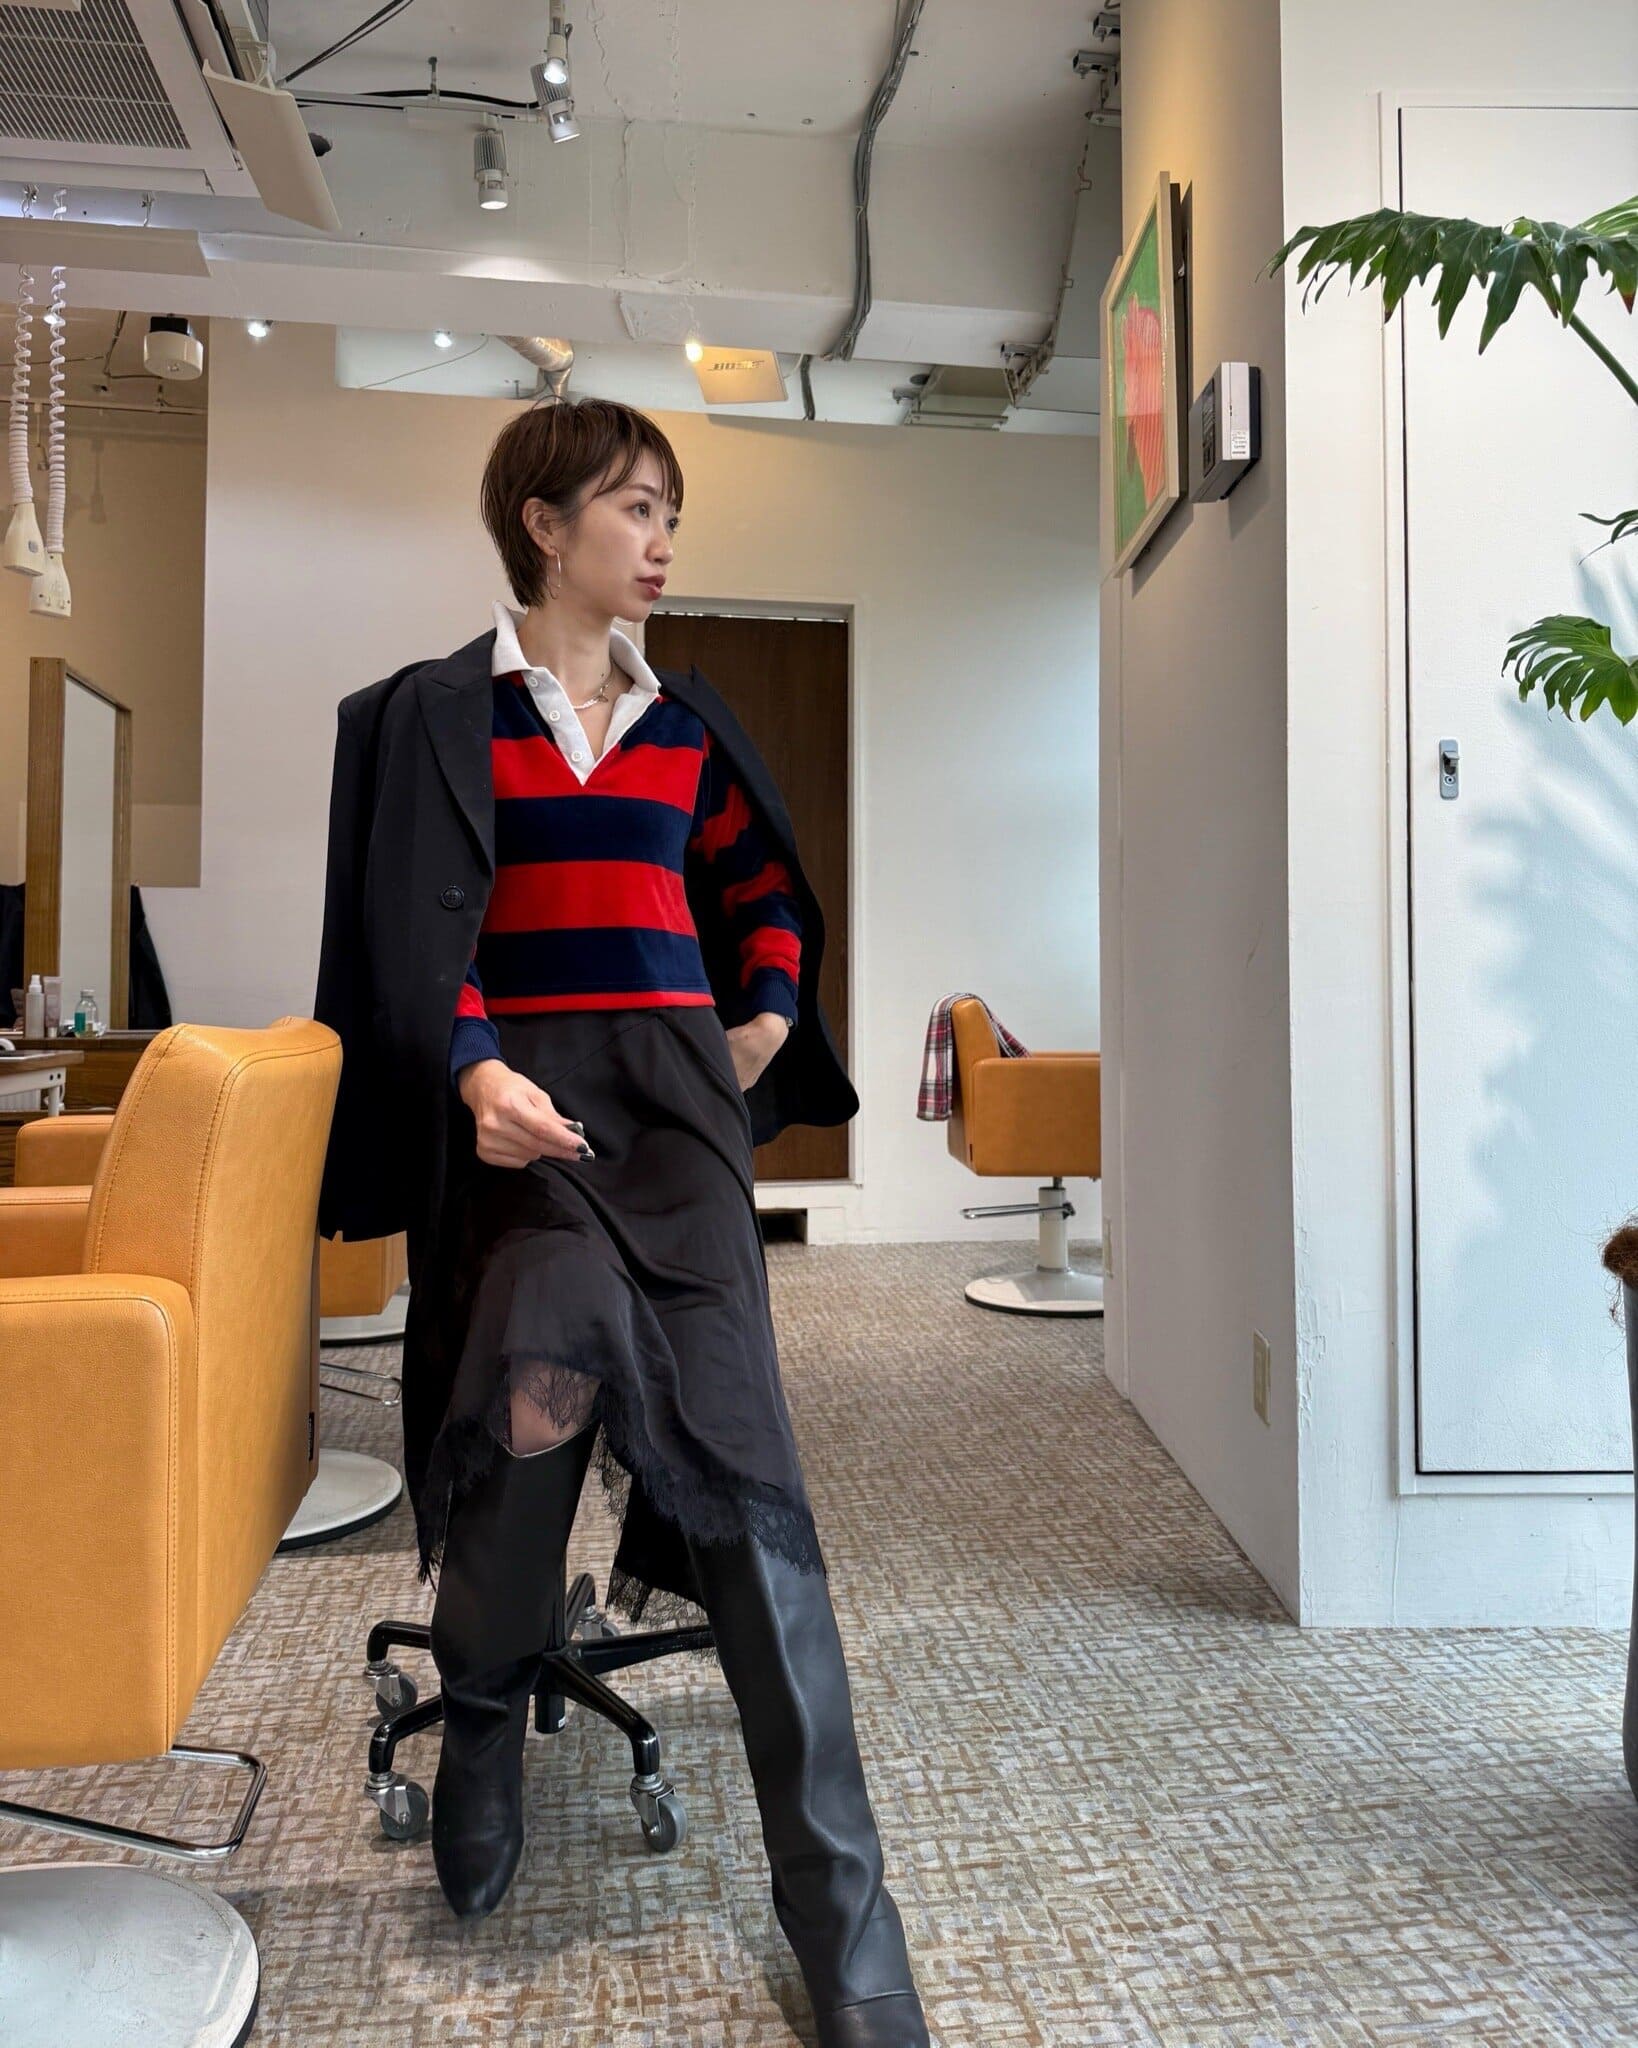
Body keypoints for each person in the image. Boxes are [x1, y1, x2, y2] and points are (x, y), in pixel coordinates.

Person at [314, 396, 931, 2048]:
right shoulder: (435, 714)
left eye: (669, 511)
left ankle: (842, 1915)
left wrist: (762, 1018)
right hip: (522, 1115)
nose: (661, 540)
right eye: (635, 507)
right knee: (536, 1380)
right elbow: (410, 936)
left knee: (741, 1455)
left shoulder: (683, 724)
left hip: (672, 1115)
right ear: (544, 521)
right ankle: (486, 1721)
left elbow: (762, 896)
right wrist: (470, 1072)